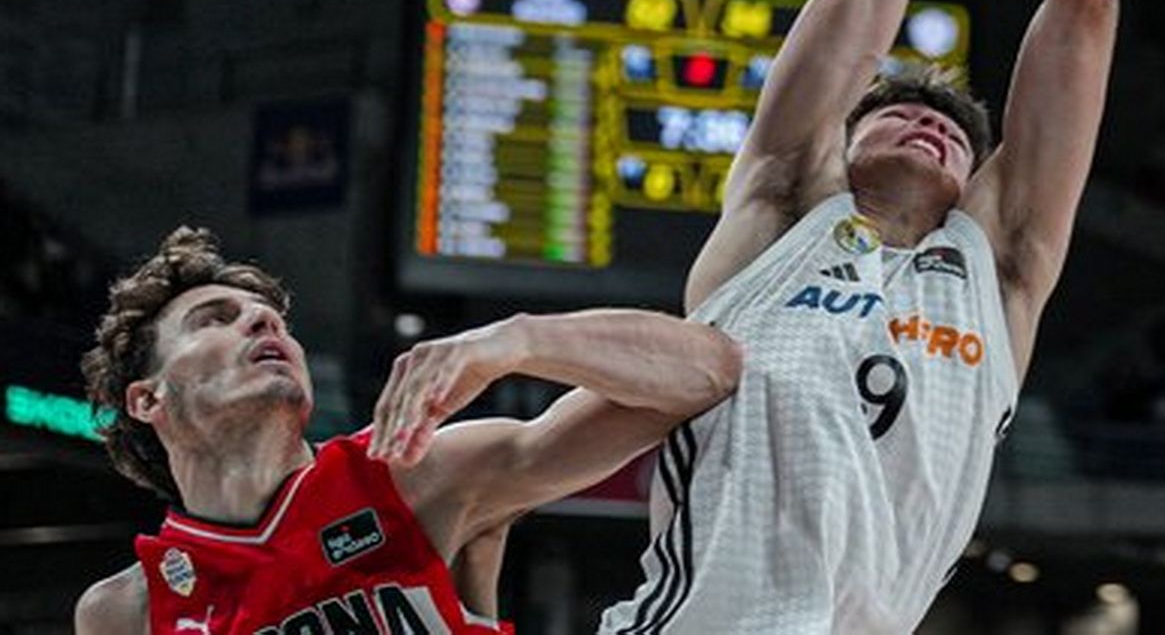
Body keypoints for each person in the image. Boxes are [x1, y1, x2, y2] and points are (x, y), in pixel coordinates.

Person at [599, 0, 1161, 635]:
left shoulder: (1003, 269)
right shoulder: (779, 209)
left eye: (953, 133)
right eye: (892, 112)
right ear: (836, 145)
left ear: (976, 185)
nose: (928, 122)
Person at [73, 226, 741, 633]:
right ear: (147, 398)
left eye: (270, 317)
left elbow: (710, 370)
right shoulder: (125, 611)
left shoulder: (412, 476)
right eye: (215, 319)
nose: (262, 321)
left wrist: (519, 340)